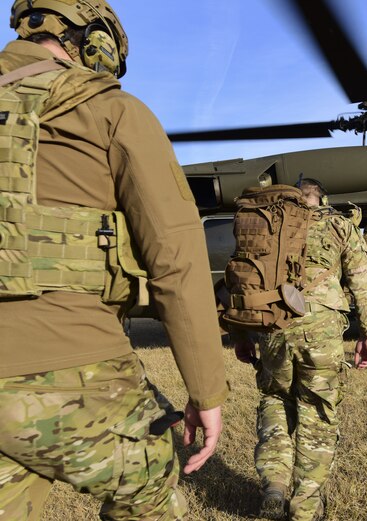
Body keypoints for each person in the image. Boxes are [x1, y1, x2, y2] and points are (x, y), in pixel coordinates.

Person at [0, 1, 229, 519]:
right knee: (152, 494)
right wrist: (205, 390)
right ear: (93, 42)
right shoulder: (110, 109)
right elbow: (176, 256)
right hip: (71, 364)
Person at [232, 179, 367, 521]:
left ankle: (274, 481)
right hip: (321, 330)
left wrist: (240, 334)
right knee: (317, 413)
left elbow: (242, 282)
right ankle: (306, 508)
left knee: (274, 399)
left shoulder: (270, 225)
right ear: (322, 199)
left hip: (274, 328)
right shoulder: (338, 223)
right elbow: (363, 283)